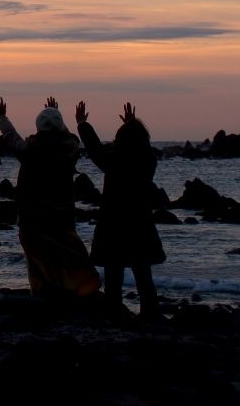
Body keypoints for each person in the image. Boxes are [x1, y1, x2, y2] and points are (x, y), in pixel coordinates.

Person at [0, 96, 100, 300]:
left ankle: (44, 296)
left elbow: (11, 136)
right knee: (69, 257)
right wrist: (71, 120)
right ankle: (78, 290)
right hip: (62, 216)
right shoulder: (71, 148)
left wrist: (1, 117)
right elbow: (68, 136)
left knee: (38, 263)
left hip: (33, 217)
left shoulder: (29, 150)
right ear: (61, 126)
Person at [76, 101, 165, 318]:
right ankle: (150, 312)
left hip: (113, 223)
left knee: (113, 270)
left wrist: (82, 124)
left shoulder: (114, 160)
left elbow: (95, 148)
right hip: (139, 222)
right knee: (142, 272)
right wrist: (133, 123)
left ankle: (113, 310)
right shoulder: (148, 160)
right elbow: (140, 146)